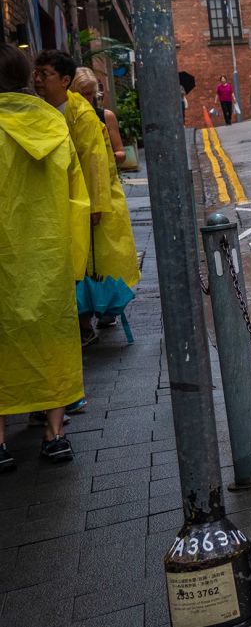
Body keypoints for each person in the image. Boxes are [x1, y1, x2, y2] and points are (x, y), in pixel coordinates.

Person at [0, 44, 90, 468]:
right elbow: (77, 199)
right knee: (54, 340)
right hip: (50, 255)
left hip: (4, 257)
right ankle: (54, 435)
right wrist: (74, 262)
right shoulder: (55, 127)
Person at [34, 51, 140, 350]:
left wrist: (94, 206)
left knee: (91, 262)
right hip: (61, 202)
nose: (38, 79)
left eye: (45, 74)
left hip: (87, 202)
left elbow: (95, 162)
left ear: (64, 80)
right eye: (36, 73)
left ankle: (88, 321)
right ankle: (86, 319)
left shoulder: (81, 114)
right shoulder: (45, 110)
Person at [73, 69, 126, 166]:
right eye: (80, 94)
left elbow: (121, 154)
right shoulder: (66, 117)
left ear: (94, 93)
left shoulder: (106, 116)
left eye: (88, 94)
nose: (84, 98)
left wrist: (106, 156)